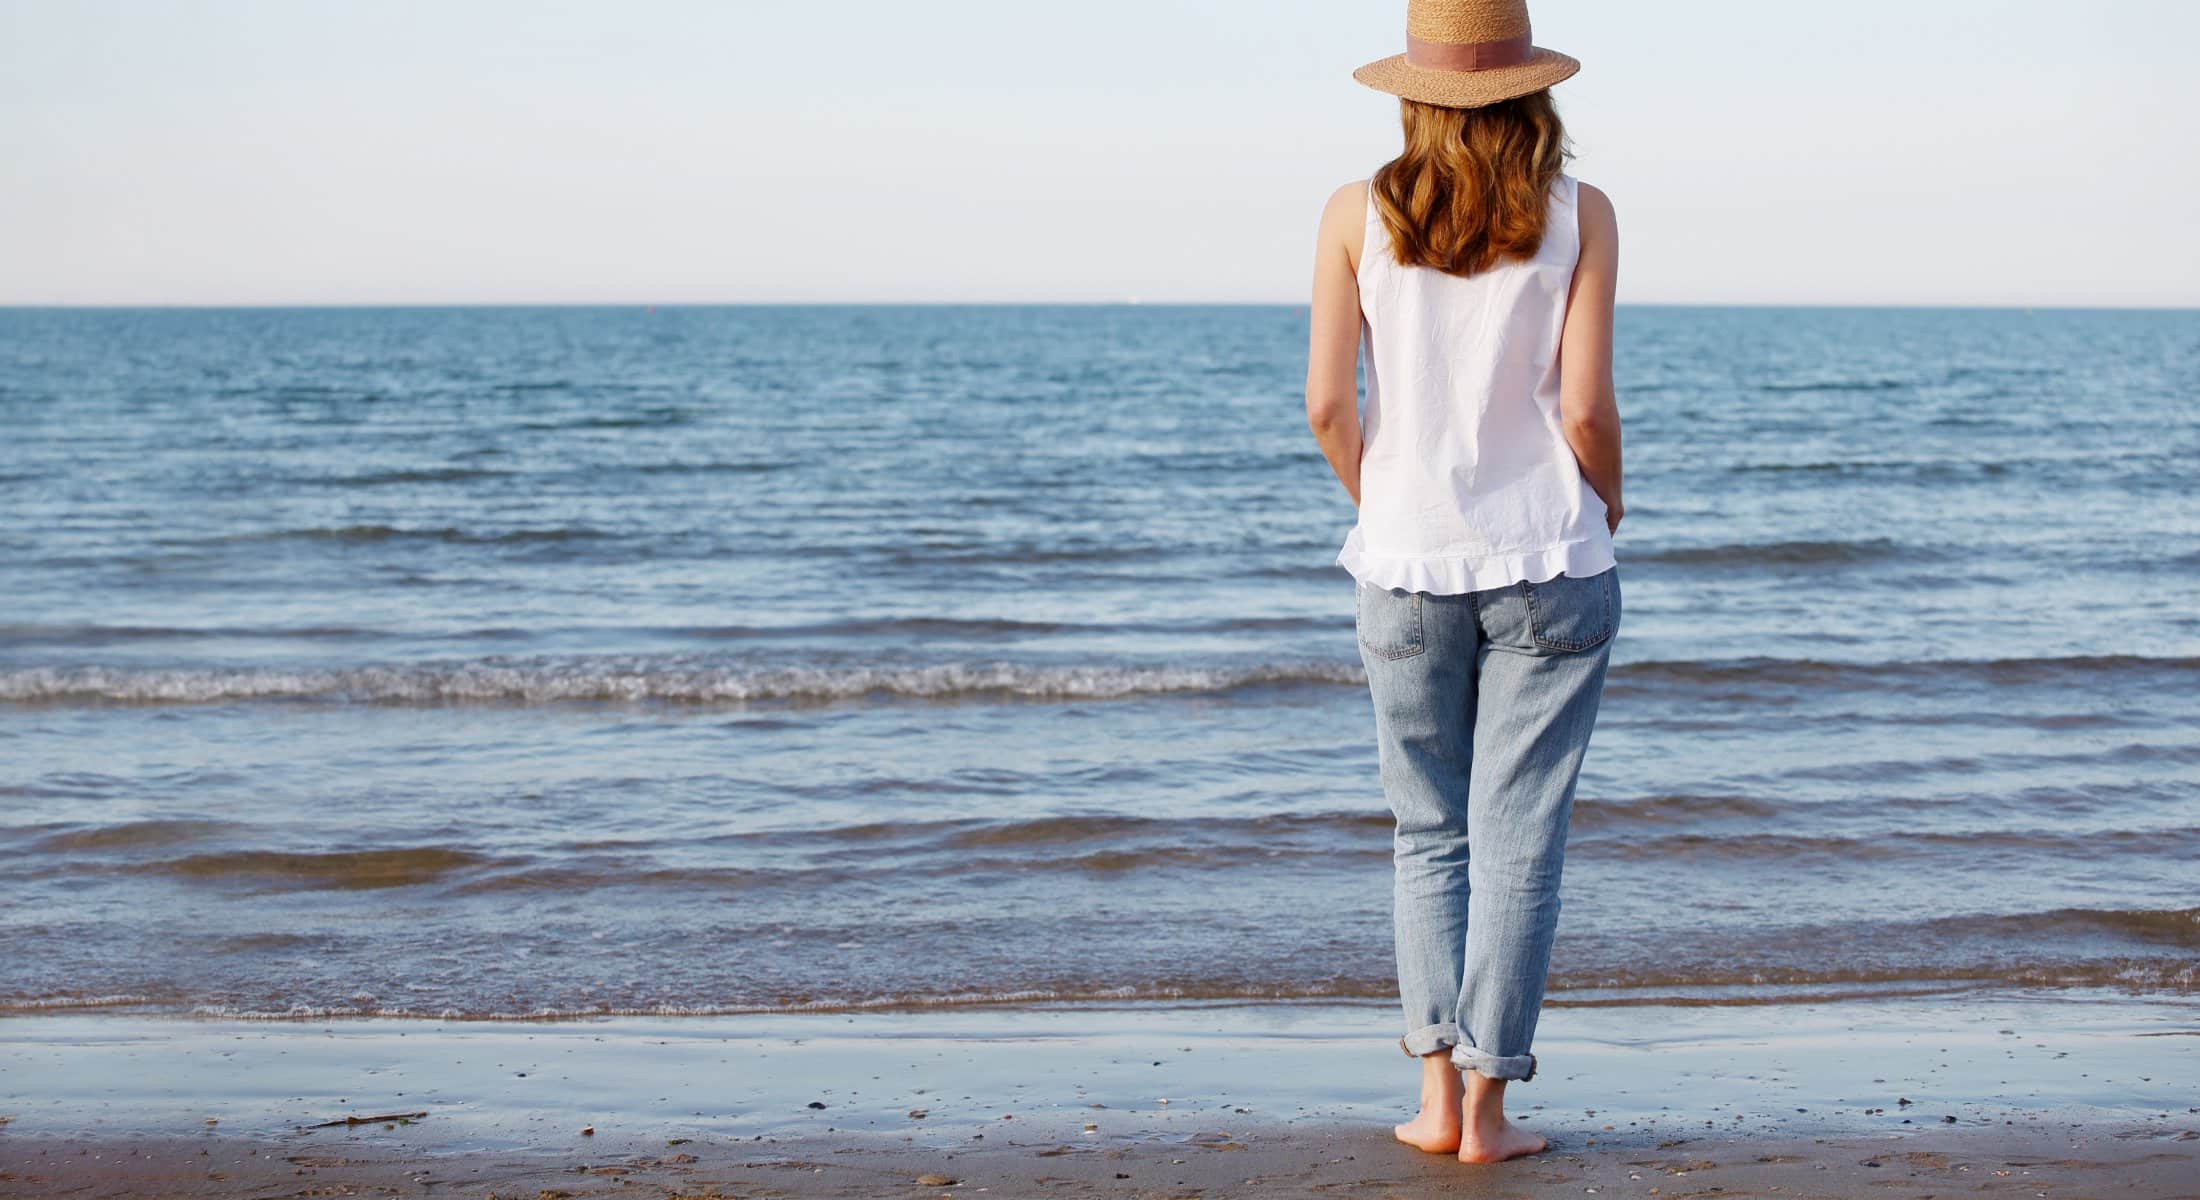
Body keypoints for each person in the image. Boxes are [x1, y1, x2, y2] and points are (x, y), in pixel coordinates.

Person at [1303, 0, 1624, 1166]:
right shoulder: (1581, 212)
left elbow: (1329, 407)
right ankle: (1491, 1114)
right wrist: (1609, 497)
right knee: (1519, 839)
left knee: (1424, 832)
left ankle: (1435, 1105)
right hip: (1549, 555)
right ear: (1529, 87)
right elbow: (1584, 406)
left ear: (1413, 88)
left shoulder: (1355, 211)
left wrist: (1379, 501)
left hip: (1401, 560)